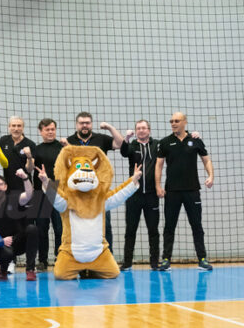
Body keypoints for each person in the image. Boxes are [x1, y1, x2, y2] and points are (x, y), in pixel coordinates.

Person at [155, 112, 214, 271]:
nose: (173, 123)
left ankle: (202, 259)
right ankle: (166, 260)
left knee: (197, 225)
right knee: (169, 226)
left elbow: (206, 159)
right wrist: (158, 186)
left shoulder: (195, 140)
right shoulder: (165, 142)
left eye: (176, 121)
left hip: (192, 190)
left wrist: (211, 176)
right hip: (172, 191)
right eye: (171, 121)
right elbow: (159, 165)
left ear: (184, 122)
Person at [63, 112, 124, 251]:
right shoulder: (69, 141)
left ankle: (107, 255)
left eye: (87, 123)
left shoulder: (101, 139)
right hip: (77, 192)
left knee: (104, 225)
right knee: (78, 226)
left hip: (99, 191)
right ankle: (81, 258)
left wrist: (110, 127)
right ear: (76, 125)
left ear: (91, 124)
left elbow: (121, 144)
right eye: (81, 123)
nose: (84, 125)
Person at [0, 173, 39, 281]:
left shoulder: (15, 200)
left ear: (5, 187)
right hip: (1, 246)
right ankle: (3, 269)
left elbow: (29, 195)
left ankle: (30, 269)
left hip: (19, 242)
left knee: (32, 229)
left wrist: (25, 178)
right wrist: (0, 241)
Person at [119, 120, 160, 270]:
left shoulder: (157, 145)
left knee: (153, 230)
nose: (141, 130)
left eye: (144, 128)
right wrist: (126, 138)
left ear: (149, 130)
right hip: (133, 195)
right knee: (130, 230)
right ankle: (127, 262)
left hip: (151, 195)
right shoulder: (132, 145)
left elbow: (172, 146)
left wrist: (192, 136)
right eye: (138, 128)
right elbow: (124, 152)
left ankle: (154, 262)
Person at [32, 118, 63, 270]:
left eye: (52, 129)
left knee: (60, 228)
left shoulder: (63, 148)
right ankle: (42, 260)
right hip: (40, 193)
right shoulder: (36, 149)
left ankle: (60, 258)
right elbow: (29, 168)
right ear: (41, 132)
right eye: (47, 130)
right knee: (41, 229)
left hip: (58, 192)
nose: (50, 132)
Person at [0, 116, 35, 193]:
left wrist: (29, 157)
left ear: (23, 128)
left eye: (19, 126)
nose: (16, 129)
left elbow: (29, 169)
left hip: (24, 186)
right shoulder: (3, 141)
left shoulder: (30, 144)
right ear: (9, 127)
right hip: (7, 186)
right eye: (13, 126)